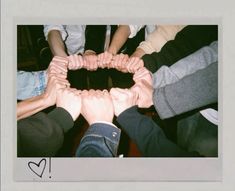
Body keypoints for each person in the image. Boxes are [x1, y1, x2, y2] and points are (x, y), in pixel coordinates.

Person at [44, 25, 87, 89]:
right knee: (75, 87)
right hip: (69, 55)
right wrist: (63, 60)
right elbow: (53, 29)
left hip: (97, 51)